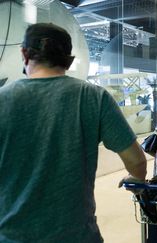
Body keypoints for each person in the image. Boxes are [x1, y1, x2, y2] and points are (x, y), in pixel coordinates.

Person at [0, 23, 147, 242]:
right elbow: (136, 160)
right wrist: (136, 179)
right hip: (77, 235)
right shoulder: (94, 97)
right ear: (68, 59)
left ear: (24, 54)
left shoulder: (3, 100)